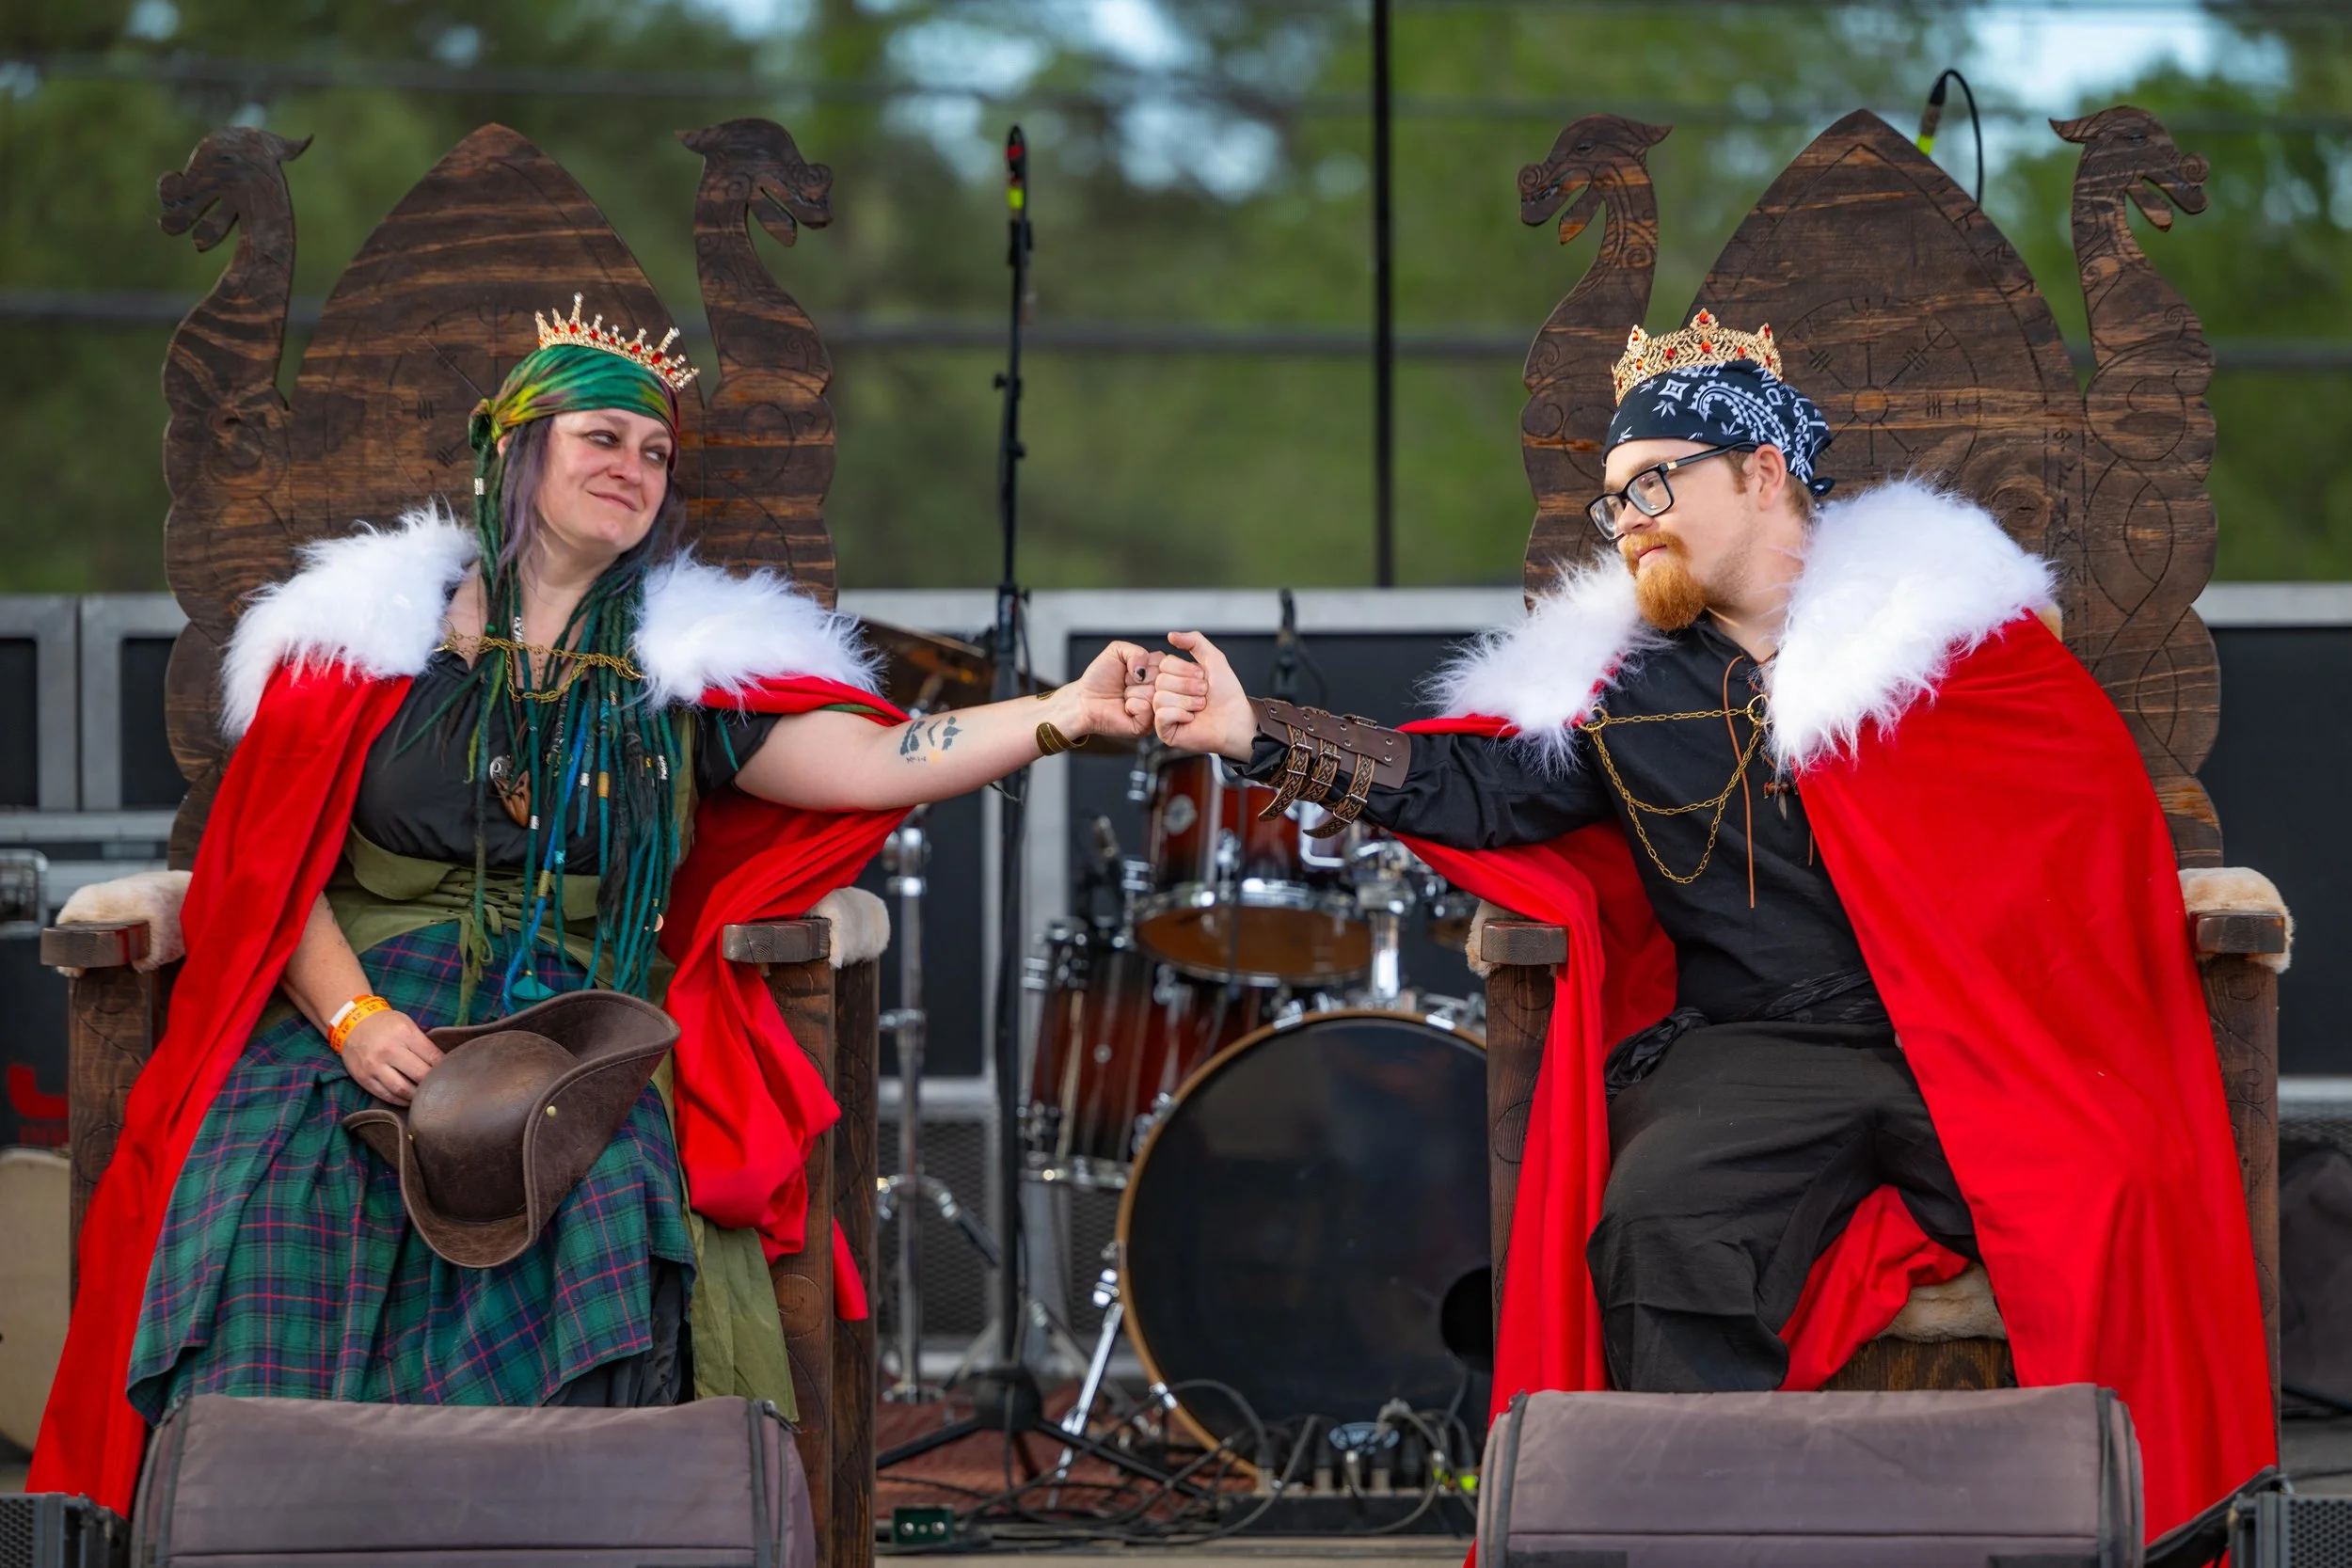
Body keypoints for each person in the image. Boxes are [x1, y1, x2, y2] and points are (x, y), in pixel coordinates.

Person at [1151, 311, 2276, 1541]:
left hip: (1974, 1038)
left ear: (1762, 472)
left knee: (2118, 1189)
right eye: (1612, 501)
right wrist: (1256, 733)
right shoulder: (1624, 687)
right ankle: (1713, 1537)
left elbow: (2082, 865)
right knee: (1657, 1222)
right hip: (1753, 1048)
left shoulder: (1951, 643)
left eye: (1653, 483)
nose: (1628, 519)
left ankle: (2124, 1529)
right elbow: (1471, 785)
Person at [36, 297, 1159, 1511]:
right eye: (601, 439)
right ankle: (275, 1515)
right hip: (357, 992)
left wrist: (1063, 714)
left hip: (576, 1005)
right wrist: (355, 1022)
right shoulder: (364, 639)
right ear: (518, 448)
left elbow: (874, 759)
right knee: (282, 1179)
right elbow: (270, 868)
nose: (632, 468)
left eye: (654, 452)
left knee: (598, 1185)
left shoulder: (682, 668)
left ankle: (537, 1520)